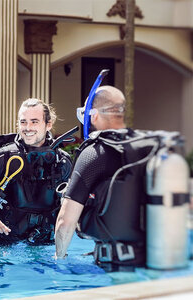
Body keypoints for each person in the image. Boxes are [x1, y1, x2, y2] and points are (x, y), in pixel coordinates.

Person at [55, 85, 158, 268]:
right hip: (152, 260)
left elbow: (65, 222)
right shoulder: (147, 147)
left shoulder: (95, 153)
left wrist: (59, 259)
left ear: (93, 114)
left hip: (113, 266)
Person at [0, 98, 72, 244]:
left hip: (43, 244)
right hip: (3, 244)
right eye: (23, 122)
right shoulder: (3, 158)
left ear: (48, 124)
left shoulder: (62, 161)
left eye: (34, 121)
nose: (28, 127)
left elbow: (73, 205)